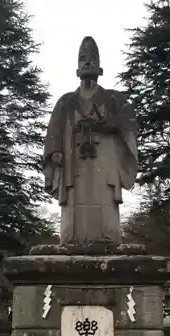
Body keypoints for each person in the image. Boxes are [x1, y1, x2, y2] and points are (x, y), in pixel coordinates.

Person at [43, 36, 138, 245]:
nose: (87, 62)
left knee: (105, 198)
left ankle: (108, 238)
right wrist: (55, 151)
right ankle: (71, 240)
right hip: (72, 159)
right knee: (73, 200)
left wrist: (109, 125)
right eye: (83, 58)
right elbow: (54, 130)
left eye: (92, 58)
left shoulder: (114, 100)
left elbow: (128, 123)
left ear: (100, 65)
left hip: (105, 159)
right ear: (76, 67)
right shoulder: (66, 102)